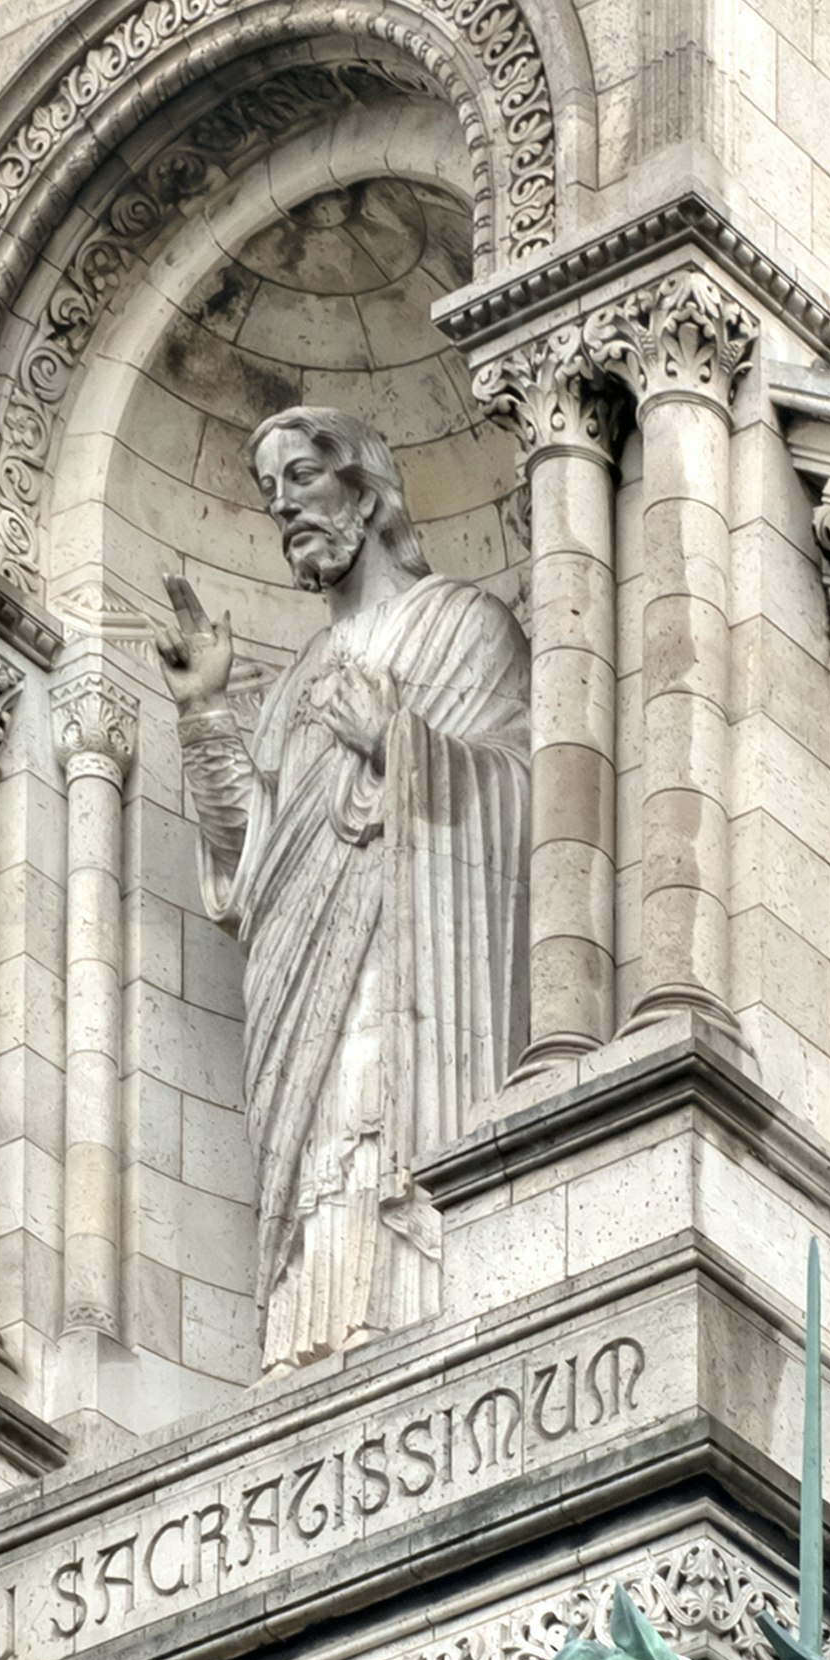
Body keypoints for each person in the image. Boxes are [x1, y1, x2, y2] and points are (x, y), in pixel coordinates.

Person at [151, 407, 530, 1365]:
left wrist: (399, 746)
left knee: (372, 1107)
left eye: (302, 482)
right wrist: (204, 713)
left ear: (364, 490)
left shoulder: (465, 625)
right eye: (271, 496)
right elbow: (254, 864)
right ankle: (305, 1350)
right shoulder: (295, 683)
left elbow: (529, 791)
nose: (285, 510)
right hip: (295, 972)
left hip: (413, 962)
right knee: (318, 1143)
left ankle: (408, 1316)